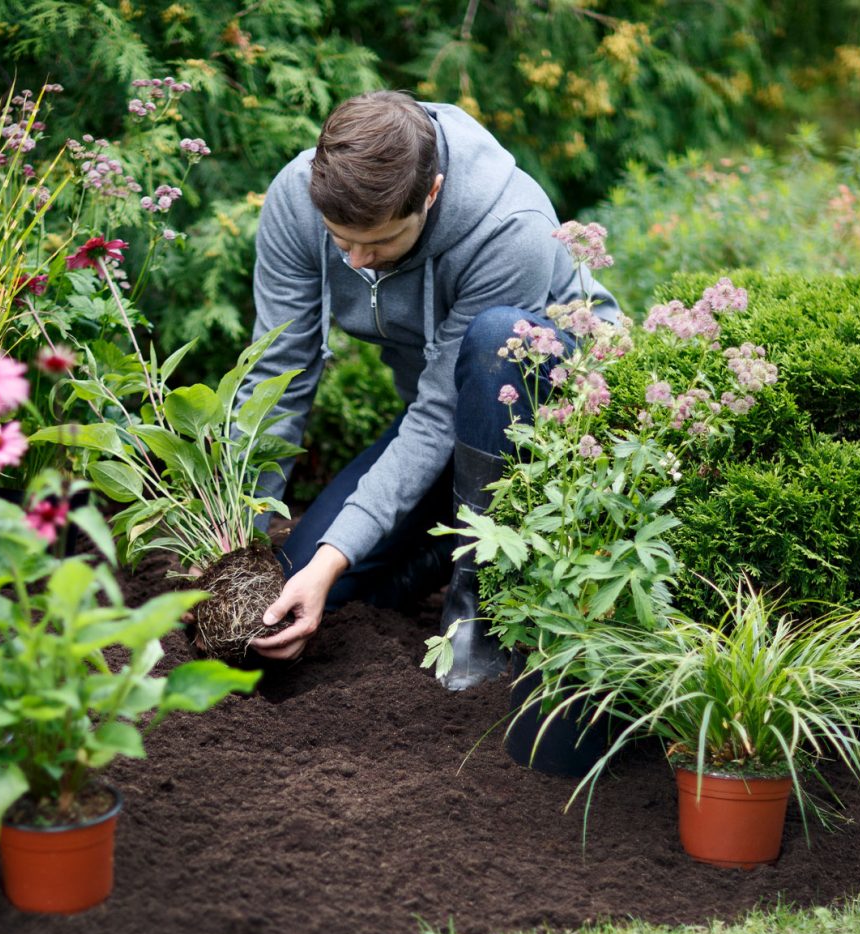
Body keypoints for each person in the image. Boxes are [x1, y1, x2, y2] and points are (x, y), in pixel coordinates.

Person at [238, 90, 618, 687]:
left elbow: (441, 412)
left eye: (382, 243)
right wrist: (243, 535)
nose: (360, 261)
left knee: (497, 337)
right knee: (300, 585)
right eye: (342, 242)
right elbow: (276, 374)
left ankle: (480, 607)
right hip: (448, 427)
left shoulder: (509, 228)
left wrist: (335, 557)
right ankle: (444, 540)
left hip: (556, 423)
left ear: (432, 192)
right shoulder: (296, 197)